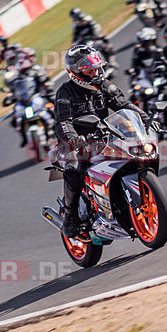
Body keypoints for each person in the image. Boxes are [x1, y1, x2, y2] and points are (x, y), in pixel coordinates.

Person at [53, 44, 133, 237]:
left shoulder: (104, 86)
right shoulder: (65, 92)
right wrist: (74, 138)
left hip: (105, 136)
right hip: (75, 142)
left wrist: (146, 118)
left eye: (97, 68)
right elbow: (63, 122)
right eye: (90, 70)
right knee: (73, 168)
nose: (95, 73)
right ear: (75, 72)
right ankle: (71, 216)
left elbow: (125, 105)